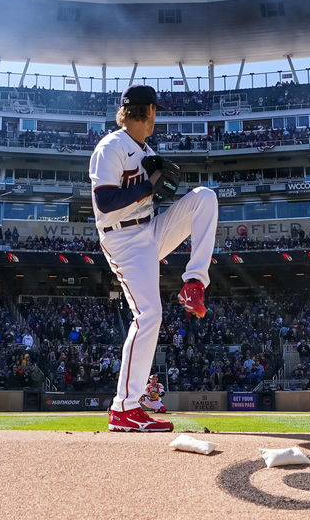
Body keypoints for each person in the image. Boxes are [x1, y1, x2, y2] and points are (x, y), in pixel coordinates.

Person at [92, 85, 218, 432]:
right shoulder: (111, 147)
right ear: (147, 110)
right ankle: (124, 408)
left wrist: (154, 187)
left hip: (150, 229)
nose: (155, 117)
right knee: (149, 315)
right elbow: (104, 201)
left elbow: (149, 196)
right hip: (124, 238)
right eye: (154, 111)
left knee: (204, 198)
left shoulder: (144, 149)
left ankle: (194, 283)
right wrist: (149, 185)